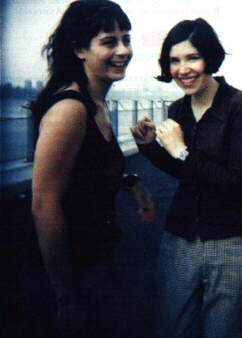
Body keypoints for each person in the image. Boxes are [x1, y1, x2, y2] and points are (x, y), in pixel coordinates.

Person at [131, 18, 242, 338]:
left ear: (210, 58)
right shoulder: (178, 110)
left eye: (192, 58)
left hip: (230, 243)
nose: (182, 69)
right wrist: (150, 150)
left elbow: (238, 182)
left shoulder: (239, 105)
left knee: (224, 331)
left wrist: (182, 151)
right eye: (174, 60)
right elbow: (185, 173)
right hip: (180, 239)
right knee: (176, 329)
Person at [31, 1, 154, 336]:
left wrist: (133, 184)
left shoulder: (97, 102)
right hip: (75, 272)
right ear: (79, 49)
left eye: (126, 39)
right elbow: (44, 204)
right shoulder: (70, 109)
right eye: (109, 41)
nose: (124, 50)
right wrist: (65, 297)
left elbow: (88, 170)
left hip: (99, 258)